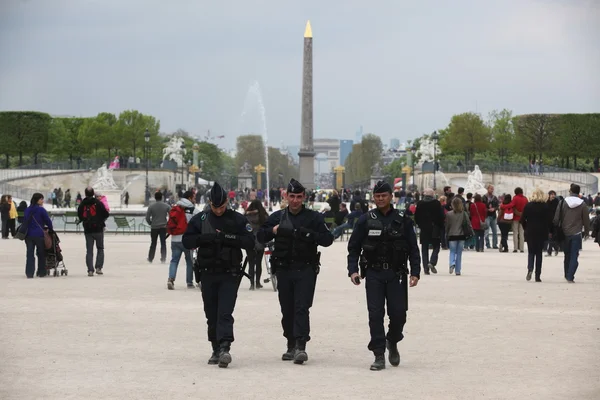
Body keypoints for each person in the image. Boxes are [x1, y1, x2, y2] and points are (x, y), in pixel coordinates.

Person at [258, 178, 334, 365]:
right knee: (287, 308)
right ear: (286, 196)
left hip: (305, 268)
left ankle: (301, 345)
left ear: (304, 197)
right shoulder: (277, 217)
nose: (295, 200)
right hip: (283, 269)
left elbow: (328, 239)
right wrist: (274, 231)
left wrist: (308, 234)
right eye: (292, 196)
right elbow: (260, 235)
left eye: (299, 197)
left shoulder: (313, 218)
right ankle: (290, 343)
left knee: (302, 307)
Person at [346, 180, 420, 371]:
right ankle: (379, 354)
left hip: (396, 273)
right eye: (377, 196)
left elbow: (413, 247)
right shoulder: (365, 220)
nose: (380, 199)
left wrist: (416, 272)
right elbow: (353, 248)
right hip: (374, 273)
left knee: (399, 314)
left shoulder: (403, 219)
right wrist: (353, 270)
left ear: (390, 196)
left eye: (384, 196)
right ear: (374, 198)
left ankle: (392, 340)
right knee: (375, 314)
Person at [182, 182, 255, 368]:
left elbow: (250, 242)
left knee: (225, 311)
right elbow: (186, 240)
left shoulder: (237, 219)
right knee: (211, 312)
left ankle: (225, 347)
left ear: (227, 202)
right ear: (210, 203)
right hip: (207, 272)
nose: (219, 210)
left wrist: (227, 238)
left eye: (222, 206)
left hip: (230, 273)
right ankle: (215, 347)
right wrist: (205, 238)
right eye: (215, 207)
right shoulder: (201, 219)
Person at [553, 184, 590, 283]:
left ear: (570, 191)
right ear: (578, 192)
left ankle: (566, 273)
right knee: (574, 255)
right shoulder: (583, 204)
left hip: (565, 232)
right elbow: (586, 220)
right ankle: (570, 275)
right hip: (577, 233)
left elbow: (556, 218)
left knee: (567, 255)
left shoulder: (562, 202)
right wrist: (586, 232)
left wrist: (555, 229)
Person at [167, 190, 199, 289]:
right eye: (193, 197)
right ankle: (189, 282)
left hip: (175, 239)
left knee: (174, 260)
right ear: (189, 198)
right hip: (187, 240)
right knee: (189, 261)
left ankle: (171, 279)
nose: (194, 199)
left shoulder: (175, 208)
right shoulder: (193, 210)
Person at [77, 187, 109, 276]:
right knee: (100, 249)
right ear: (93, 193)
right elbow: (106, 214)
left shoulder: (83, 203)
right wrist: (100, 220)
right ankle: (98, 268)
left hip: (88, 230)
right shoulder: (98, 203)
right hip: (98, 229)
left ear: (85, 193)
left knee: (89, 251)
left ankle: (90, 270)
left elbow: (79, 215)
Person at [520, 189, 550, 282]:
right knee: (539, 253)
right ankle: (538, 275)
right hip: (541, 232)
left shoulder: (528, 206)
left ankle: (530, 268)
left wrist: (526, 227)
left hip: (530, 231)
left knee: (531, 252)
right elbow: (549, 220)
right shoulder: (545, 206)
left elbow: (522, 219)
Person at [414, 188, 444, 274]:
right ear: (432, 195)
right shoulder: (436, 203)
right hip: (434, 228)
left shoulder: (420, 203)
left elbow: (416, 217)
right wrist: (440, 227)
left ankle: (426, 268)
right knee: (436, 246)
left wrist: (420, 225)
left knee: (424, 249)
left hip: (424, 229)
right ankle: (432, 262)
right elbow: (441, 216)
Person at [23, 193, 54, 278]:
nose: (42, 201)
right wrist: (50, 228)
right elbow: (47, 220)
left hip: (28, 235)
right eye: (41, 199)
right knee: (41, 253)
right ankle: (41, 271)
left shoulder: (27, 209)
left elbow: (25, 220)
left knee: (29, 253)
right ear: (37, 200)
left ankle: (29, 272)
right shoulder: (41, 210)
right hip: (39, 235)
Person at [244, 199, 268, 290]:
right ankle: (257, 282)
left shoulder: (246, 216)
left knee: (251, 263)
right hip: (260, 241)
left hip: (249, 242)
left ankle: (251, 284)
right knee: (258, 263)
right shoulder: (263, 215)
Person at [445, 197, 472, 275]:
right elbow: (468, 224)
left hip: (452, 234)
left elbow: (447, 225)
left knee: (452, 251)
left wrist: (446, 233)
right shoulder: (464, 213)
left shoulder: (448, 214)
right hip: (461, 235)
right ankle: (458, 270)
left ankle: (452, 263)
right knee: (459, 253)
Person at [145, 191, 171, 264]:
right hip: (163, 227)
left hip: (154, 227)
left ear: (155, 198)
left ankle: (150, 258)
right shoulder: (166, 206)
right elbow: (172, 216)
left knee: (153, 243)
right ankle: (163, 258)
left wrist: (151, 223)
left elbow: (147, 217)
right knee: (163, 243)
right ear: (162, 197)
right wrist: (168, 224)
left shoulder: (151, 206)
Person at [503, 187, 528, 253]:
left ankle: (515, 248)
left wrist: (503, 206)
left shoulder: (515, 198)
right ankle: (522, 248)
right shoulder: (525, 199)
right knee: (522, 233)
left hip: (516, 218)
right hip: (523, 218)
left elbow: (511, 205)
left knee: (515, 233)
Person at [483, 185, 499, 249]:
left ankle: (495, 244)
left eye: (493, 189)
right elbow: (482, 207)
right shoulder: (484, 197)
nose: (492, 190)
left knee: (495, 231)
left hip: (493, 216)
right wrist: (487, 209)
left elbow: (497, 206)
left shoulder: (495, 197)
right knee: (486, 232)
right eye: (491, 189)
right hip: (487, 216)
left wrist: (494, 209)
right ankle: (488, 244)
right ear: (488, 189)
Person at [545, 190, 560, 256]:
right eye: (551, 194)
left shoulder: (557, 202)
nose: (553, 195)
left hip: (555, 221)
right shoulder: (547, 202)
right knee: (550, 237)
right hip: (548, 221)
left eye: (554, 194)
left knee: (551, 237)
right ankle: (555, 248)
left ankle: (550, 251)